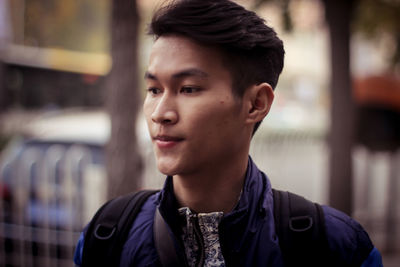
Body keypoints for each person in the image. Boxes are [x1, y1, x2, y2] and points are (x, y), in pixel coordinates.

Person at [74, 0, 383, 266]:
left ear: (255, 104)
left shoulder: (333, 246)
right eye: (153, 89)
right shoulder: (108, 234)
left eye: (188, 89)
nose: (160, 113)